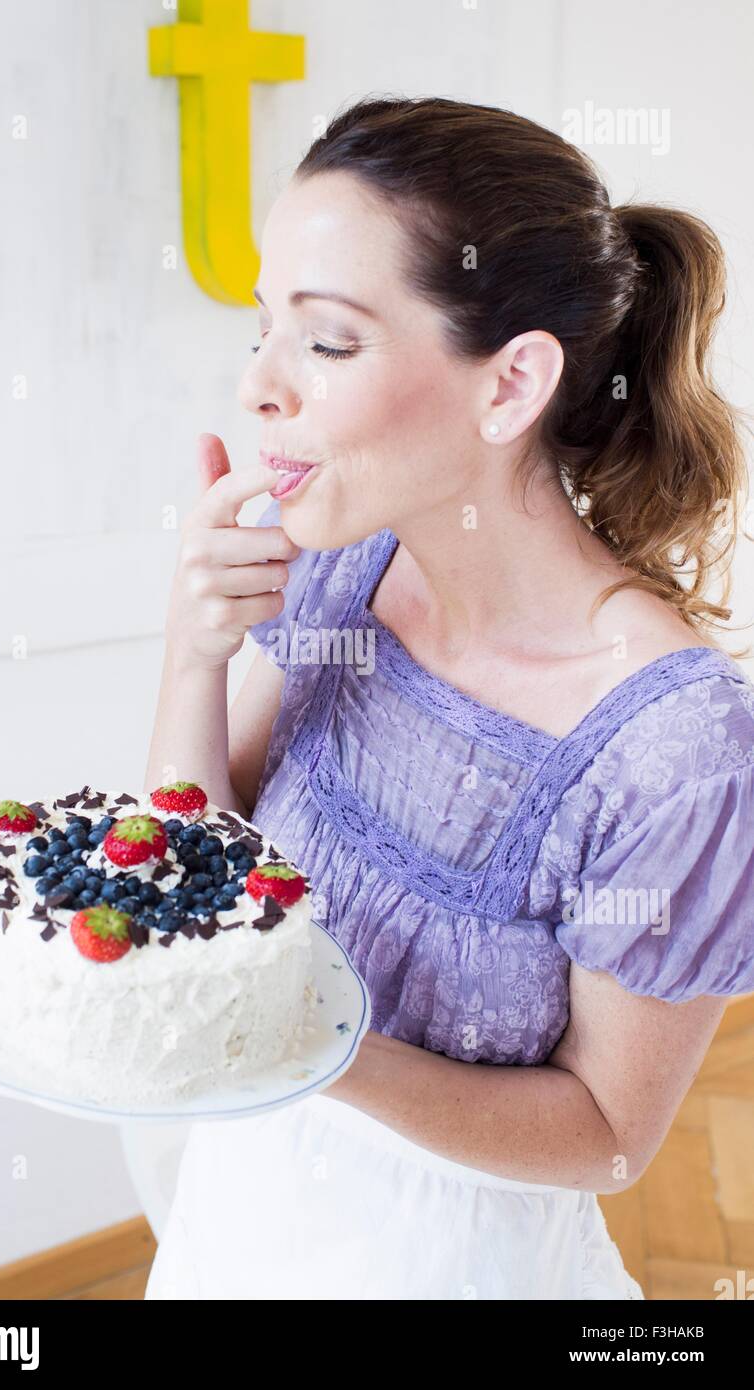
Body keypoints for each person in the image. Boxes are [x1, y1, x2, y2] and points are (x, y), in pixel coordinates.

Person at [143, 97, 754, 1299]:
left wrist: (310, 1048)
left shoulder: (672, 748)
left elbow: (609, 1133)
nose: (260, 384)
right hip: (230, 1233)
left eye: (323, 342)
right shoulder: (344, 563)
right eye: (263, 326)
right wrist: (192, 656)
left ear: (510, 381)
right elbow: (191, 886)